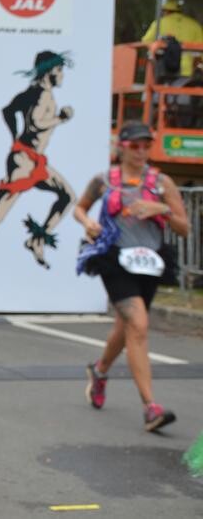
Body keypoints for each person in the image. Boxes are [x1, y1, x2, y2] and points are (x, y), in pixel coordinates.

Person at [73, 121, 189, 432]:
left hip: (150, 261)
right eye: (134, 145)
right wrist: (88, 223)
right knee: (138, 323)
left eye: (146, 145)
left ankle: (99, 371)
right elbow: (80, 208)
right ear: (121, 147)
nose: (140, 151)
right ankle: (151, 408)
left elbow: (184, 227)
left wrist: (160, 208)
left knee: (127, 328)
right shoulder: (104, 181)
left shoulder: (162, 183)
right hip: (114, 259)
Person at [0, 51, 76, 295]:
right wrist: (60, 119)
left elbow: (8, 110)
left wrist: (14, 138)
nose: (62, 75)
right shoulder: (42, 94)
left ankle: (37, 239)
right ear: (50, 71)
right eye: (60, 70)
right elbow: (35, 123)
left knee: (67, 196)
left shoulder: (32, 92)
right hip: (24, 163)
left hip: (33, 160)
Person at [142, 0, 203, 77]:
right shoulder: (195, 25)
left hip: (165, 68)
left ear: (166, 11)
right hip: (188, 71)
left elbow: (146, 41)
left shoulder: (159, 22)